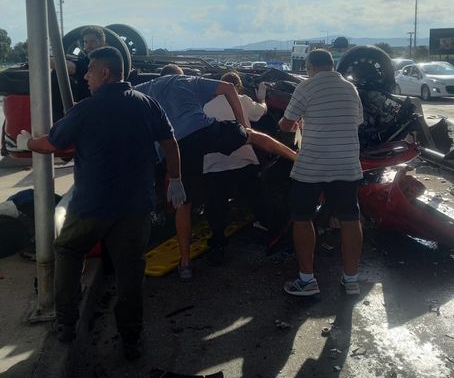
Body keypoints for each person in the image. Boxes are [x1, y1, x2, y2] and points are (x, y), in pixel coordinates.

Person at [18, 46, 185, 360]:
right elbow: (170, 142)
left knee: (67, 249)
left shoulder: (87, 109)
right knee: (130, 269)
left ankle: (67, 324)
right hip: (136, 206)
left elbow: (53, 144)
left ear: (105, 73)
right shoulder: (147, 104)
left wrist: (25, 141)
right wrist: (174, 179)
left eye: (90, 70)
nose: (86, 76)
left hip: (93, 205)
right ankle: (131, 339)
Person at [135, 64, 296, 281]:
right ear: (178, 75)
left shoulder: (144, 88)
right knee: (254, 136)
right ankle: (299, 159)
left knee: (183, 203)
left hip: (172, 148)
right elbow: (229, 87)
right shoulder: (186, 81)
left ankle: (185, 265)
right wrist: (242, 126)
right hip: (200, 131)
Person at [278, 49, 364, 296]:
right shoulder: (350, 88)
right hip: (347, 165)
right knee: (350, 219)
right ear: (332, 65)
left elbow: (286, 124)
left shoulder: (305, 87)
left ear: (309, 66)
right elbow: (356, 121)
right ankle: (351, 279)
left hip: (312, 166)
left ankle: (307, 281)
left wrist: (294, 122)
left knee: (302, 218)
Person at [201, 72, 270, 264]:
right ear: (238, 87)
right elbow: (262, 111)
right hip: (244, 159)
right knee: (257, 198)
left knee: (216, 207)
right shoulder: (243, 100)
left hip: (214, 163)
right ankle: (270, 230)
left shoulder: (205, 105)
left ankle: (218, 244)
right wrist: (262, 98)